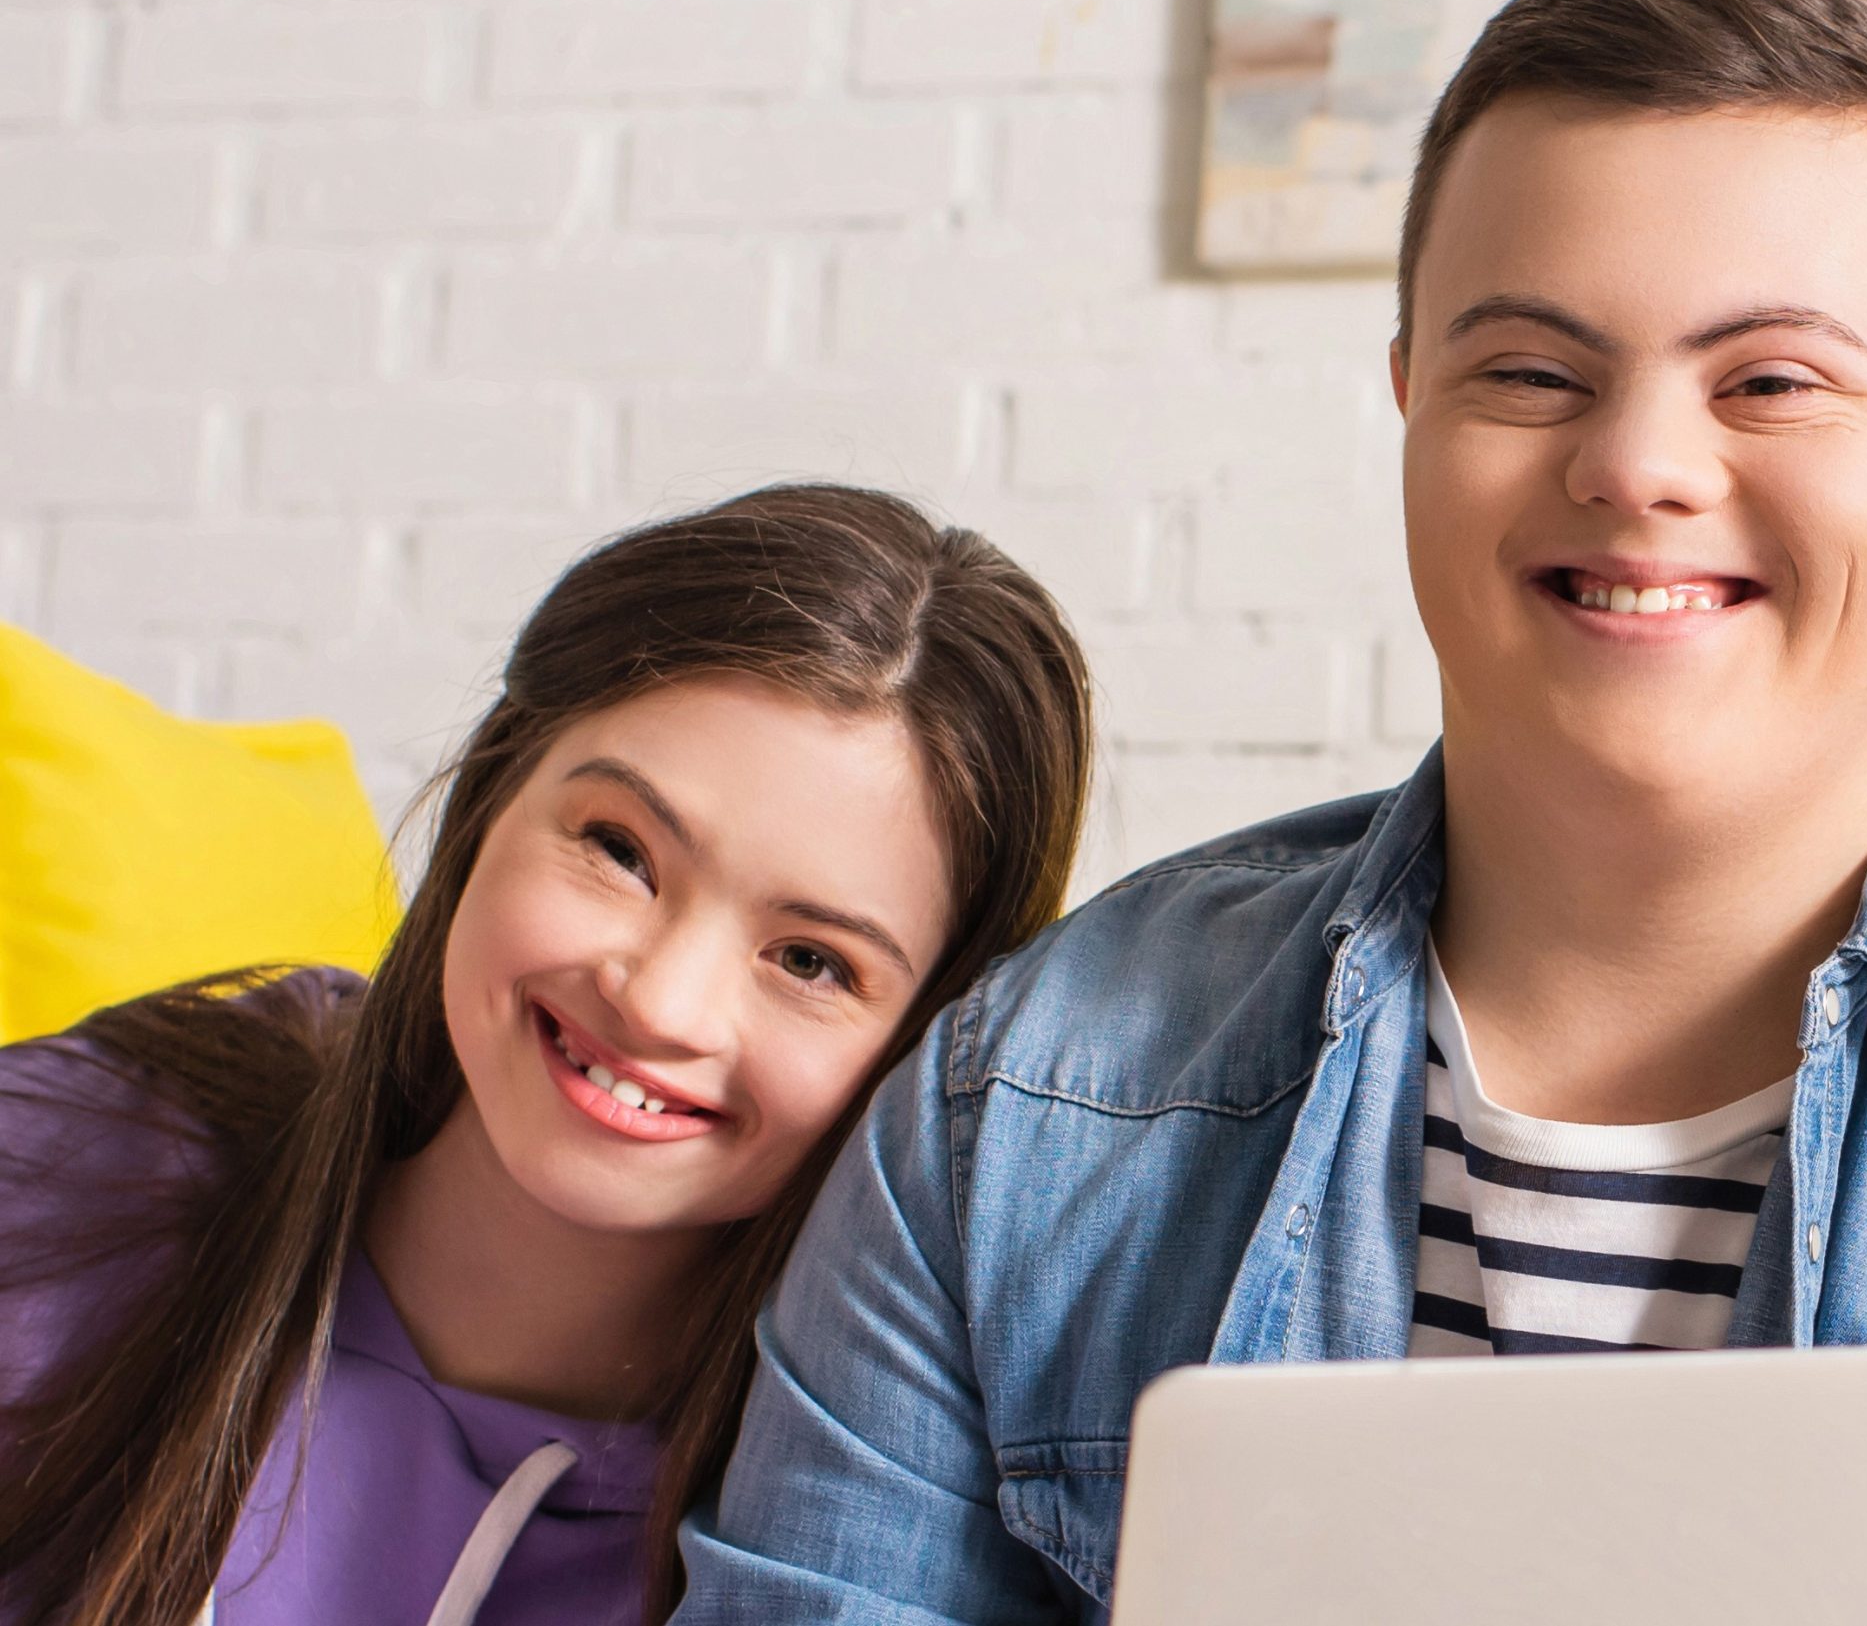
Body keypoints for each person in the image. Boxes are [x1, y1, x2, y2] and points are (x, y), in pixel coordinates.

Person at [676, 0, 1867, 1620]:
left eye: (1769, 382)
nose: (1636, 465)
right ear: (1411, 412)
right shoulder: (1017, 1115)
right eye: (1534, 370)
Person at [0, 484, 1092, 1626]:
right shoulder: (85, 1160)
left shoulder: (866, 1536)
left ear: (927, 1041)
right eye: (619, 850)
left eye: (810, 962)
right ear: (491, 795)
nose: (661, 1001)